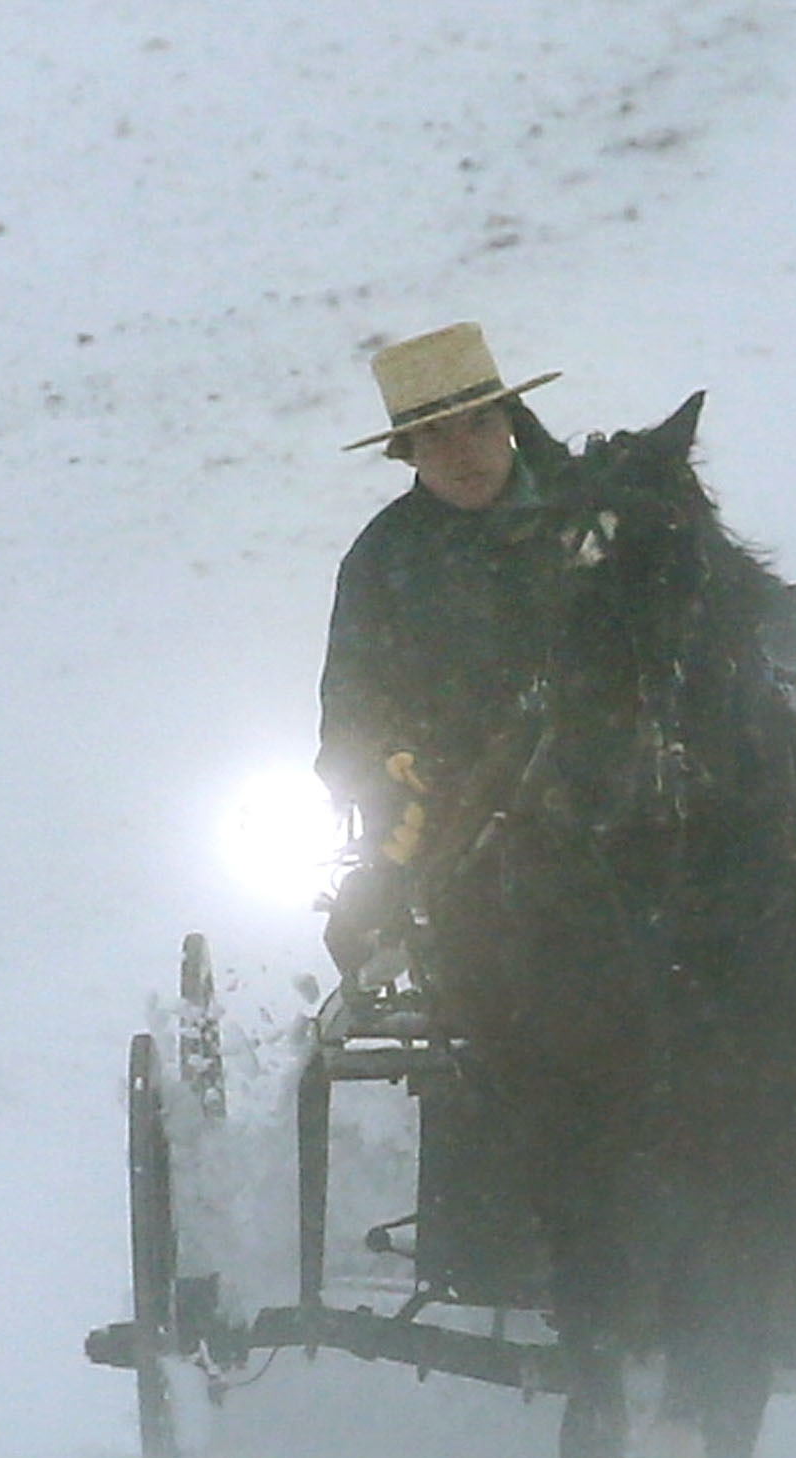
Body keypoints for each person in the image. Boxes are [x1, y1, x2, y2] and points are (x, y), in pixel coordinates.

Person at [316, 320, 568, 982]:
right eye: (436, 434)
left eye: (480, 423)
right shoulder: (382, 560)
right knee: (385, 920)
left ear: (510, 423)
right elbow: (349, 703)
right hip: (454, 799)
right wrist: (391, 768)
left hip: (608, 772)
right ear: (405, 453)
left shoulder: (588, 516)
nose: (463, 450)